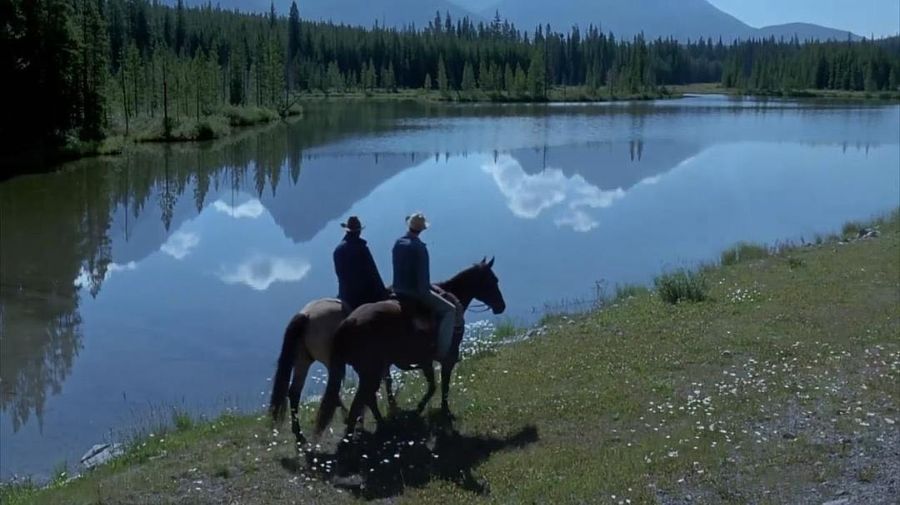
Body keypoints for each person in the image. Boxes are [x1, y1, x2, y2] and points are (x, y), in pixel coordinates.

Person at [392, 212, 457, 359]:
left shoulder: (398, 243)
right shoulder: (419, 248)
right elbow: (423, 282)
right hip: (416, 292)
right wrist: (432, 288)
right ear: (421, 230)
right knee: (450, 310)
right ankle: (442, 353)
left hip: (398, 290)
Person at [333, 216, 388, 311]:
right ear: (358, 232)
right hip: (363, 296)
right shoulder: (361, 248)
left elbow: (339, 274)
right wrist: (383, 294)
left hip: (345, 296)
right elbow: (373, 273)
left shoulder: (337, 250)